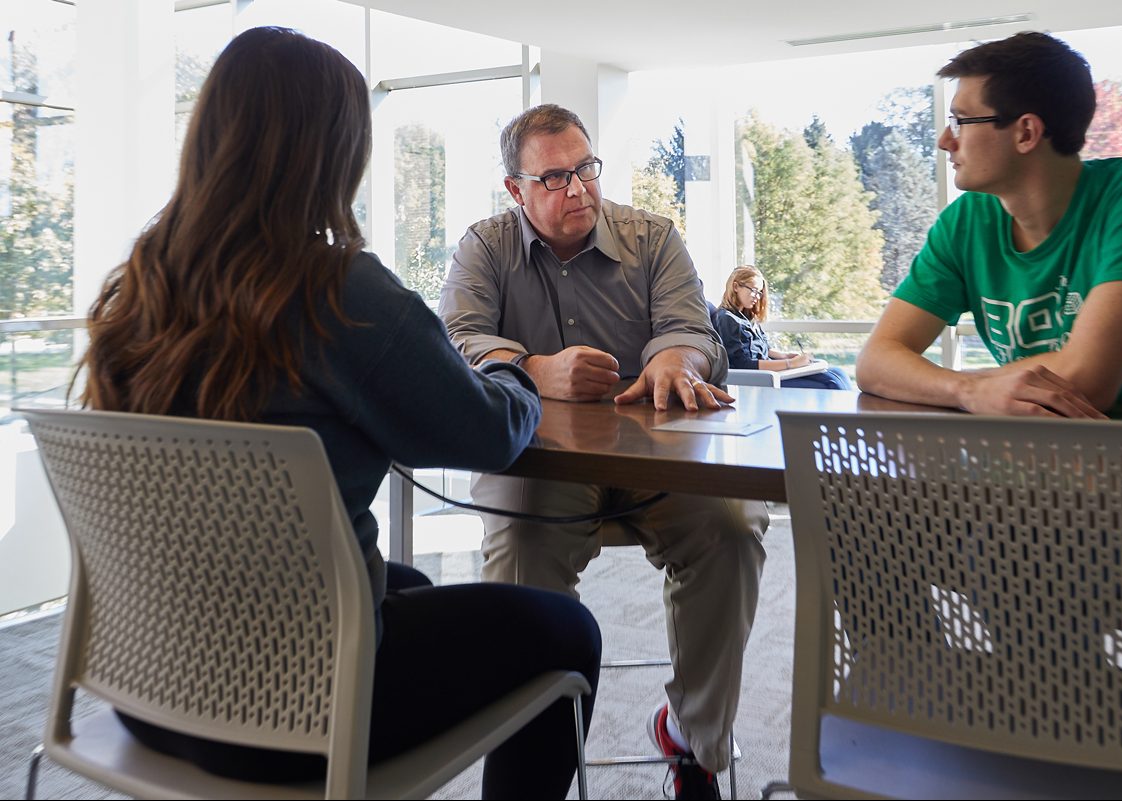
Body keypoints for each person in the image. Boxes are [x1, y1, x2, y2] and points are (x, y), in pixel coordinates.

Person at [77, 28, 600, 799]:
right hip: (296, 711)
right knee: (568, 630)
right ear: (330, 153)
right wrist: (516, 367)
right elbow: (486, 431)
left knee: (408, 581)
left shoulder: (140, 290)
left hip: (152, 690)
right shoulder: (335, 290)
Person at [439, 103, 768, 800]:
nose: (578, 190)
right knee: (522, 556)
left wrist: (676, 360)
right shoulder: (484, 246)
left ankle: (691, 738)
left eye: (585, 168)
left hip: (660, 463)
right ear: (515, 189)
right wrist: (533, 367)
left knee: (734, 526)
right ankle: (531, 765)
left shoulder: (653, 238)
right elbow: (458, 339)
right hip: (543, 467)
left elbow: (692, 327)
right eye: (553, 177)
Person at [855, 31, 1122, 416]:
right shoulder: (965, 221)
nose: (945, 140)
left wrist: (953, 387)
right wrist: (966, 391)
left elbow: (1085, 382)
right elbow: (876, 362)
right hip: (1029, 459)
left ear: (1026, 132)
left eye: (962, 121)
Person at [713, 265, 853, 390]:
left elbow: (764, 350)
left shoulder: (746, 318)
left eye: (759, 292)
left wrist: (785, 356)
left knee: (839, 374)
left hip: (770, 370)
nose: (757, 297)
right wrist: (790, 363)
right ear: (736, 286)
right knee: (832, 384)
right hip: (761, 379)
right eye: (754, 290)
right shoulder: (727, 319)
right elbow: (744, 364)